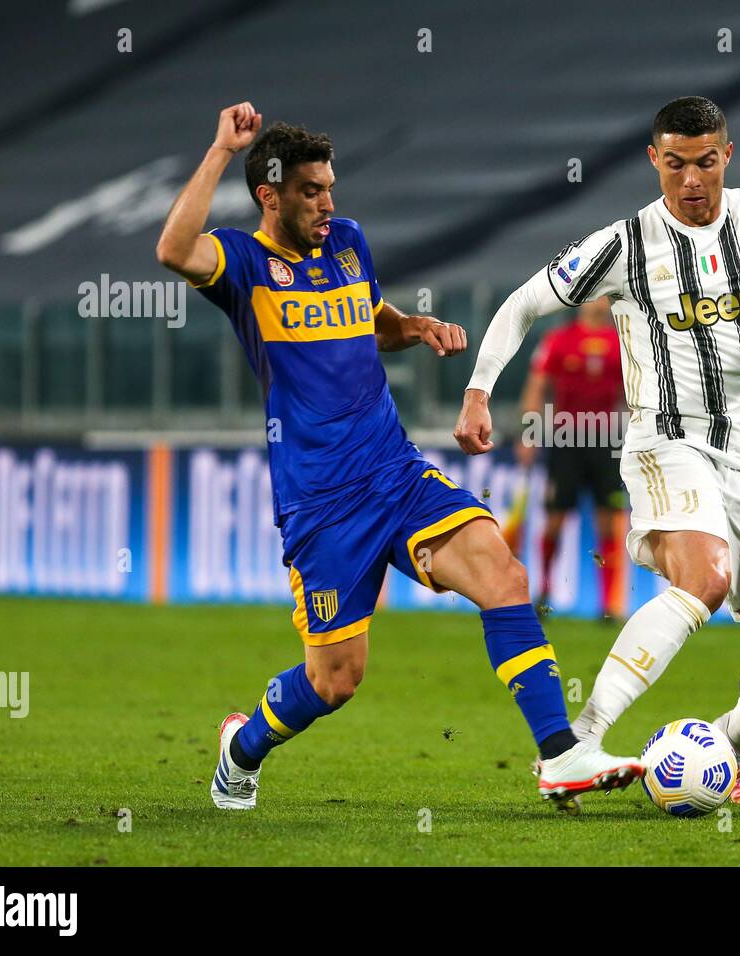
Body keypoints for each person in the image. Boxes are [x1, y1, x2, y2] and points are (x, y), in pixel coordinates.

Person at [157, 102, 643, 811]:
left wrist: (411, 327)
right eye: (310, 191)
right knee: (335, 680)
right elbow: (173, 250)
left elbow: (367, 317)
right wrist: (220, 151)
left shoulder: (348, 242)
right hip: (321, 503)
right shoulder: (243, 262)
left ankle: (559, 754)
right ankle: (242, 747)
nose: (328, 202)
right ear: (270, 197)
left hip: (395, 470)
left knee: (502, 573)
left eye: (329, 186)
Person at [455, 96, 740, 806]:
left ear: (727, 156)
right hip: (667, 443)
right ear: (654, 161)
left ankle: (733, 743)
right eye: (674, 164)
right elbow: (523, 303)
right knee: (704, 578)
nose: (690, 181)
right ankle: (580, 741)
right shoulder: (627, 244)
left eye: (703, 163)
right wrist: (480, 391)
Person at [515, 296, 625, 619]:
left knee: (609, 522)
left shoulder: (622, 343)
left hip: (608, 440)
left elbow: (634, 395)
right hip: (567, 440)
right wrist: (528, 435)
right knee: (555, 521)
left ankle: (610, 605)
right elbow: (537, 387)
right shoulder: (559, 340)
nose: (599, 302)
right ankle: (545, 589)